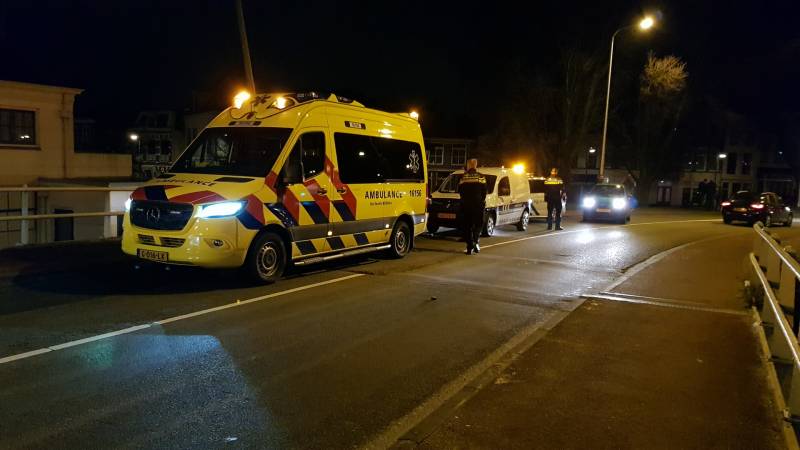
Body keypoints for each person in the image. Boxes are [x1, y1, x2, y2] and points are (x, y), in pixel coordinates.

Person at [458, 158, 487, 255]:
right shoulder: (481, 177)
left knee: (467, 226)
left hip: (466, 205)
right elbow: (484, 191)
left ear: (468, 166)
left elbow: (460, 191)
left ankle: (469, 246)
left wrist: (464, 199)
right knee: (478, 224)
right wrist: (481, 201)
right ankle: (475, 241)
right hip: (478, 205)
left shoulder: (463, 177)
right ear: (475, 166)